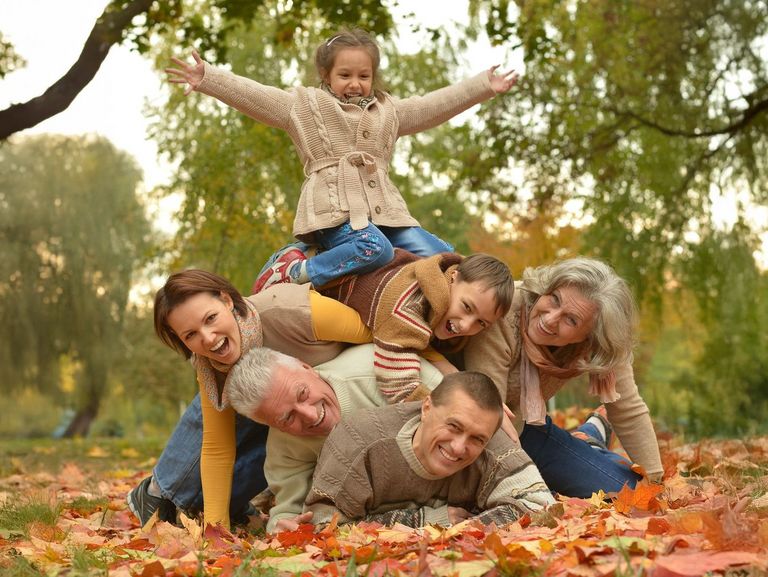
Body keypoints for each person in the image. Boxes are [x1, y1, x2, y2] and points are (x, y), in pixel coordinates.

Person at [165, 28, 518, 293]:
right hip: (334, 211)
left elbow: (432, 106)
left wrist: (482, 86)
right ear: (327, 76)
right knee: (373, 248)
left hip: (386, 212)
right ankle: (298, 269)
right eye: (345, 76)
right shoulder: (304, 105)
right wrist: (209, 79)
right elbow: (256, 95)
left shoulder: (389, 111)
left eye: (363, 76)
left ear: (373, 77)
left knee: (442, 256)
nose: (355, 84)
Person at [125, 269, 372, 529]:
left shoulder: (293, 312)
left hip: (360, 397)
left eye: (210, 318)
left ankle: (160, 489)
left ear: (227, 300)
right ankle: (174, 498)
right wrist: (216, 528)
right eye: (190, 335)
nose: (207, 339)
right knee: (253, 406)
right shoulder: (210, 367)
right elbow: (218, 448)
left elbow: (381, 335)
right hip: (301, 427)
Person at [226, 344, 550, 533]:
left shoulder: (379, 366)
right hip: (374, 505)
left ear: (306, 367)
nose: (310, 415)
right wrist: (283, 526)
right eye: (287, 418)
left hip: (458, 481)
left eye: (303, 394)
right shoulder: (285, 450)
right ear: (270, 424)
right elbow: (298, 514)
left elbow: (460, 410)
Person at [460, 257, 664, 496]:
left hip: (527, 427)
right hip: (488, 428)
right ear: (547, 288)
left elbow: (628, 410)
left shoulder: (599, 347)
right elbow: (487, 413)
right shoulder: (502, 309)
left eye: (571, 320)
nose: (549, 319)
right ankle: (588, 439)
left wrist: (656, 482)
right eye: (554, 299)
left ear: (589, 338)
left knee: (628, 490)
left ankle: (586, 440)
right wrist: (527, 485)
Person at [304, 371, 555, 527]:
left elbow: (542, 507)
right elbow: (323, 527)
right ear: (426, 408)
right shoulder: (358, 439)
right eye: (454, 426)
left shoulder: (490, 437)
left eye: (477, 439)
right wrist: (426, 522)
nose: (459, 447)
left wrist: (465, 529)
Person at [318, 249, 514, 402]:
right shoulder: (410, 307)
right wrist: (443, 410)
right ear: (453, 276)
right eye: (467, 307)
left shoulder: (441, 274)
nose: (466, 326)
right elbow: (399, 385)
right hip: (326, 290)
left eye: (481, 323)